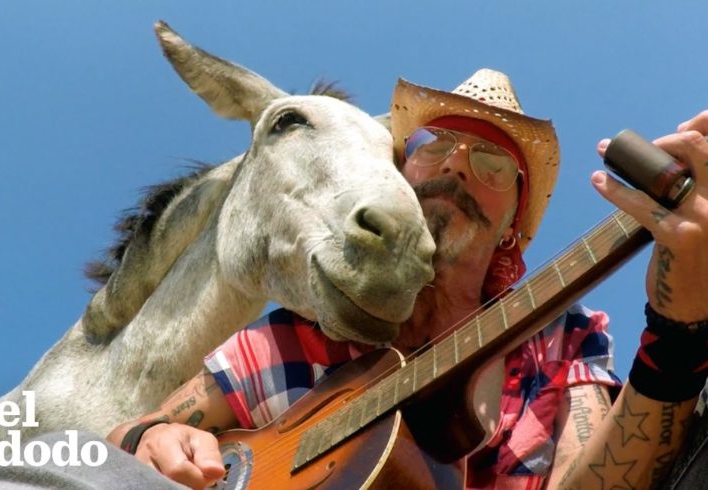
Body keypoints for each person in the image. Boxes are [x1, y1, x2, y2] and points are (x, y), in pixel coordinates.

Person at [104, 71, 708, 490]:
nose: (455, 165)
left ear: (511, 225)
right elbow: (135, 429)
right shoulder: (298, 334)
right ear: (401, 175)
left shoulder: (559, 339)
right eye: (435, 145)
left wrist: (678, 339)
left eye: (492, 163)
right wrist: (150, 441)